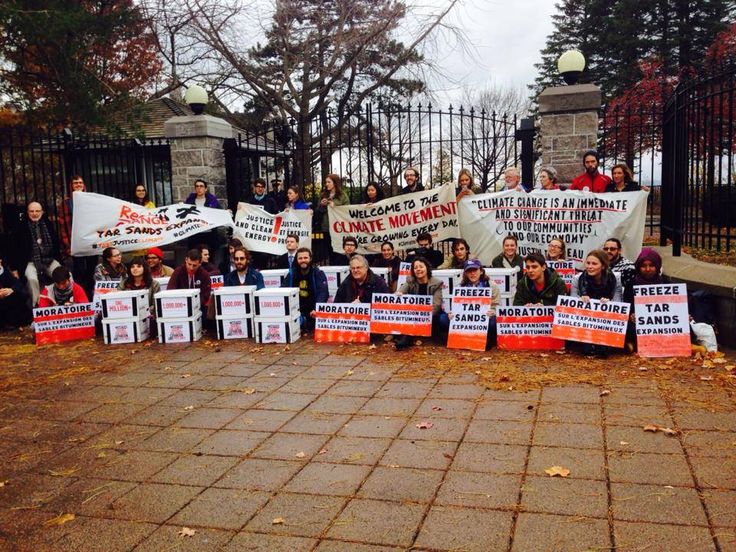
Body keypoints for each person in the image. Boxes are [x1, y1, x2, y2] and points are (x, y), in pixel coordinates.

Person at [570, 249, 622, 357]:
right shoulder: (577, 278)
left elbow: (618, 303)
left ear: (603, 266)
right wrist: (581, 300)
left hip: (606, 320)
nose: (589, 266)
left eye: (594, 263)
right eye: (588, 263)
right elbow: (572, 302)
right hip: (584, 319)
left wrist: (609, 302)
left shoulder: (615, 279)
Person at [10, 202, 62, 306]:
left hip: (48, 259)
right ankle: (38, 306)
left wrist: (59, 261)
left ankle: (66, 301)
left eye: (37, 211)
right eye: (32, 211)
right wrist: (14, 268)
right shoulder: (20, 227)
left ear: (42, 212)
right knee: (32, 279)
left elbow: (56, 243)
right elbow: (13, 248)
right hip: (30, 261)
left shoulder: (48, 224)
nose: (35, 213)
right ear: (27, 212)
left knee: (66, 276)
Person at [623, 247, 671, 352]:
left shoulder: (666, 283)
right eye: (644, 266)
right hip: (639, 323)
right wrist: (631, 314)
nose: (648, 269)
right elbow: (627, 305)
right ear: (639, 267)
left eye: (651, 266)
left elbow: (674, 307)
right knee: (626, 329)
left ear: (657, 266)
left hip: (662, 323)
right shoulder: (632, 284)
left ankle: (637, 344)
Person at [394, 257, 448, 350]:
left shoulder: (437, 283)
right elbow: (399, 293)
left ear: (427, 268)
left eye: (421, 267)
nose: (418, 269)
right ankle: (406, 338)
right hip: (414, 315)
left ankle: (438, 335)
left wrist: (422, 316)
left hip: (431, 315)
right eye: (415, 268)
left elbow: (436, 305)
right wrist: (398, 294)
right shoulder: (410, 281)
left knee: (443, 319)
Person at [455, 259, 501, 349]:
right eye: (469, 271)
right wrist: (453, 314)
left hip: (485, 318)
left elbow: (496, 305)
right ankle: (466, 338)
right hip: (467, 320)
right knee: (444, 319)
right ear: (465, 273)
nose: (472, 273)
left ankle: (487, 338)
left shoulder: (491, 285)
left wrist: (492, 311)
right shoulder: (460, 287)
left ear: (481, 271)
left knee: (494, 322)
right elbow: (457, 307)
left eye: (475, 270)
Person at [283, 247, 328, 333]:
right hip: (296, 311)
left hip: (312, 312)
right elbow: (283, 290)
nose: (303, 260)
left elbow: (323, 293)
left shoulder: (318, 273)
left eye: (305, 258)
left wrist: (316, 309)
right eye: (300, 258)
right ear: (296, 260)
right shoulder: (292, 274)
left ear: (310, 259)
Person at [167, 249, 212, 315]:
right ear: (186, 260)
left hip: (198, 307)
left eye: (194, 265)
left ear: (200, 263)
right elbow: (170, 289)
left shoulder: (205, 275)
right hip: (179, 307)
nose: (191, 268)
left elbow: (205, 295)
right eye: (189, 264)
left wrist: (194, 305)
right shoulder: (178, 271)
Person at [317, 173, 350, 262]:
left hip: (339, 228)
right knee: (329, 251)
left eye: (329, 182)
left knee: (339, 252)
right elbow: (318, 212)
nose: (326, 184)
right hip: (326, 227)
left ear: (335, 183)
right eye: (326, 182)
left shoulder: (342, 195)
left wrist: (335, 206)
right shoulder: (323, 195)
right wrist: (322, 205)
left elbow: (347, 210)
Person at [0, 253, 32, 329]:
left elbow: (17, 283)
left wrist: (11, 290)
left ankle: (17, 322)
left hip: (7, 297)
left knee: (20, 293)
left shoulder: (4, 271)